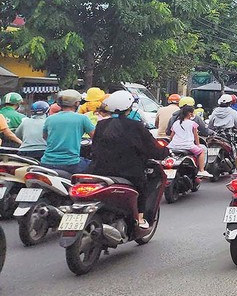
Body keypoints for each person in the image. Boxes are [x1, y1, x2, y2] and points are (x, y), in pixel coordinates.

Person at [89, 91, 169, 229]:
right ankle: (140, 218)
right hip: (128, 173)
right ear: (129, 108)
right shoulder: (136, 126)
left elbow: (94, 147)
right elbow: (152, 148)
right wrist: (164, 152)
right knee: (142, 186)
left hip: (98, 171)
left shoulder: (101, 125)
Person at [41, 90, 95, 173]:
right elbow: (95, 137)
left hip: (46, 162)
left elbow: (45, 137)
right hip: (71, 163)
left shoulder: (50, 119)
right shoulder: (82, 118)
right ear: (77, 103)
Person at [168, 104, 212, 178]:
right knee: (201, 151)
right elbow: (196, 136)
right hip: (188, 146)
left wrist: (171, 143)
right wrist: (198, 145)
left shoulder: (175, 123)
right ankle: (201, 170)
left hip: (173, 146)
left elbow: (171, 137)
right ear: (190, 114)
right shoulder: (193, 124)